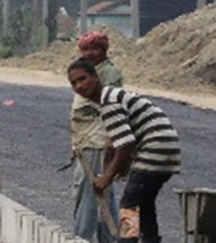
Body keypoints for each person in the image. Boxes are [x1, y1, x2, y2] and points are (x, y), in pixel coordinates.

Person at [67, 58, 181, 243]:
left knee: (129, 205)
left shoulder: (108, 102)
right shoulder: (113, 95)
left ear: (96, 77)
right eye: (73, 83)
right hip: (167, 149)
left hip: (155, 149)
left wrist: (107, 176)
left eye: (83, 79)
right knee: (144, 204)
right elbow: (119, 139)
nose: (79, 86)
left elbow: (126, 144)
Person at [71, 31, 123, 242]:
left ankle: (79, 238)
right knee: (104, 197)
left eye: (94, 49)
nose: (89, 53)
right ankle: (111, 239)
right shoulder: (88, 72)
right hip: (86, 142)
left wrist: (112, 138)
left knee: (88, 196)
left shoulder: (108, 73)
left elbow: (113, 106)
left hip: (96, 141)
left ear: (104, 50)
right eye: (85, 49)